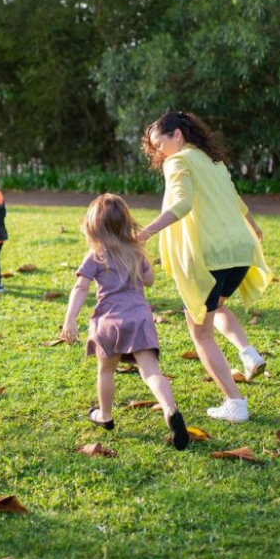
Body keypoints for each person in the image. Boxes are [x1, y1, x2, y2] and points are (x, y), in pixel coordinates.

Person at [138, 111, 272, 424]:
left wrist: (145, 232)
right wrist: (253, 227)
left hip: (210, 257)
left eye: (161, 143)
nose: (159, 152)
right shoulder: (214, 162)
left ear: (178, 136)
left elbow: (181, 204)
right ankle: (248, 353)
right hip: (239, 251)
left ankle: (234, 403)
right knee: (216, 306)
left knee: (201, 333)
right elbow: (236, 200)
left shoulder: (178, 161)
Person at [61, 193, 189, 450]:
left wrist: (70, 319)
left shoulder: (95, 255)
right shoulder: (134, 252)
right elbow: (150, 280)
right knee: (151, 372)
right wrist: (141, 255)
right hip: (139, 317)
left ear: (93, 227)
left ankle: (105, 416)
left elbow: (80, 287)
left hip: (108, 320)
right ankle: (170, 410)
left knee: (106, 370)